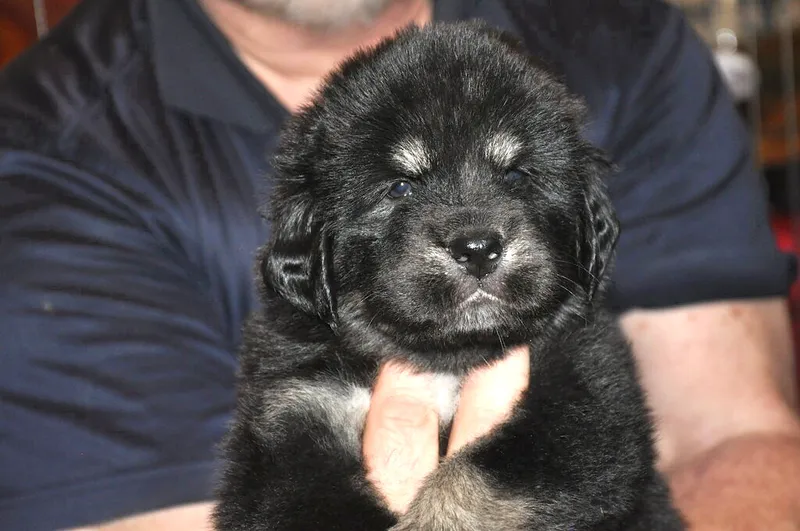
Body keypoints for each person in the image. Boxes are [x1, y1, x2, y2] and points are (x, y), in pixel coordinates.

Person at [1, 0, 799, 529]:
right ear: (310, 252)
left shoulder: (619, 32)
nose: (476, 230)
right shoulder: (42, 156)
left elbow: (732, 441)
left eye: (516, 177)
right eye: (399, 189)